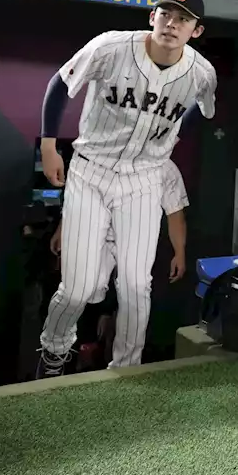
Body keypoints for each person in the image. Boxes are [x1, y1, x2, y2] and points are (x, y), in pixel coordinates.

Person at [35, 0, 215, 378]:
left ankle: (127, 368)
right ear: (152, 17)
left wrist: (171, 135)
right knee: (79, 289)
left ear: (195, 31)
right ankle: (53, 349)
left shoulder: (201, 73)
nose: (172, 23)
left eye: (183, 18)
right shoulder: (111, 47)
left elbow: (203, 108)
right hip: (90, 171)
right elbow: (58, 86)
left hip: (143, 179)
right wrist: (49, 146)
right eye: (166, 13)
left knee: (136, 287)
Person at [49, 158, 191, 368]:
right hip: (97, 239)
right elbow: (80, 198)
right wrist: (64, 228)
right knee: (82, 292)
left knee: (135, 293)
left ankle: (125, 365)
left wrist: (179, 252)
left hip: (135, 243)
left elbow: (175, 213)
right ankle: (58, 352)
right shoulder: (102, 155)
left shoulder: (165, 168)